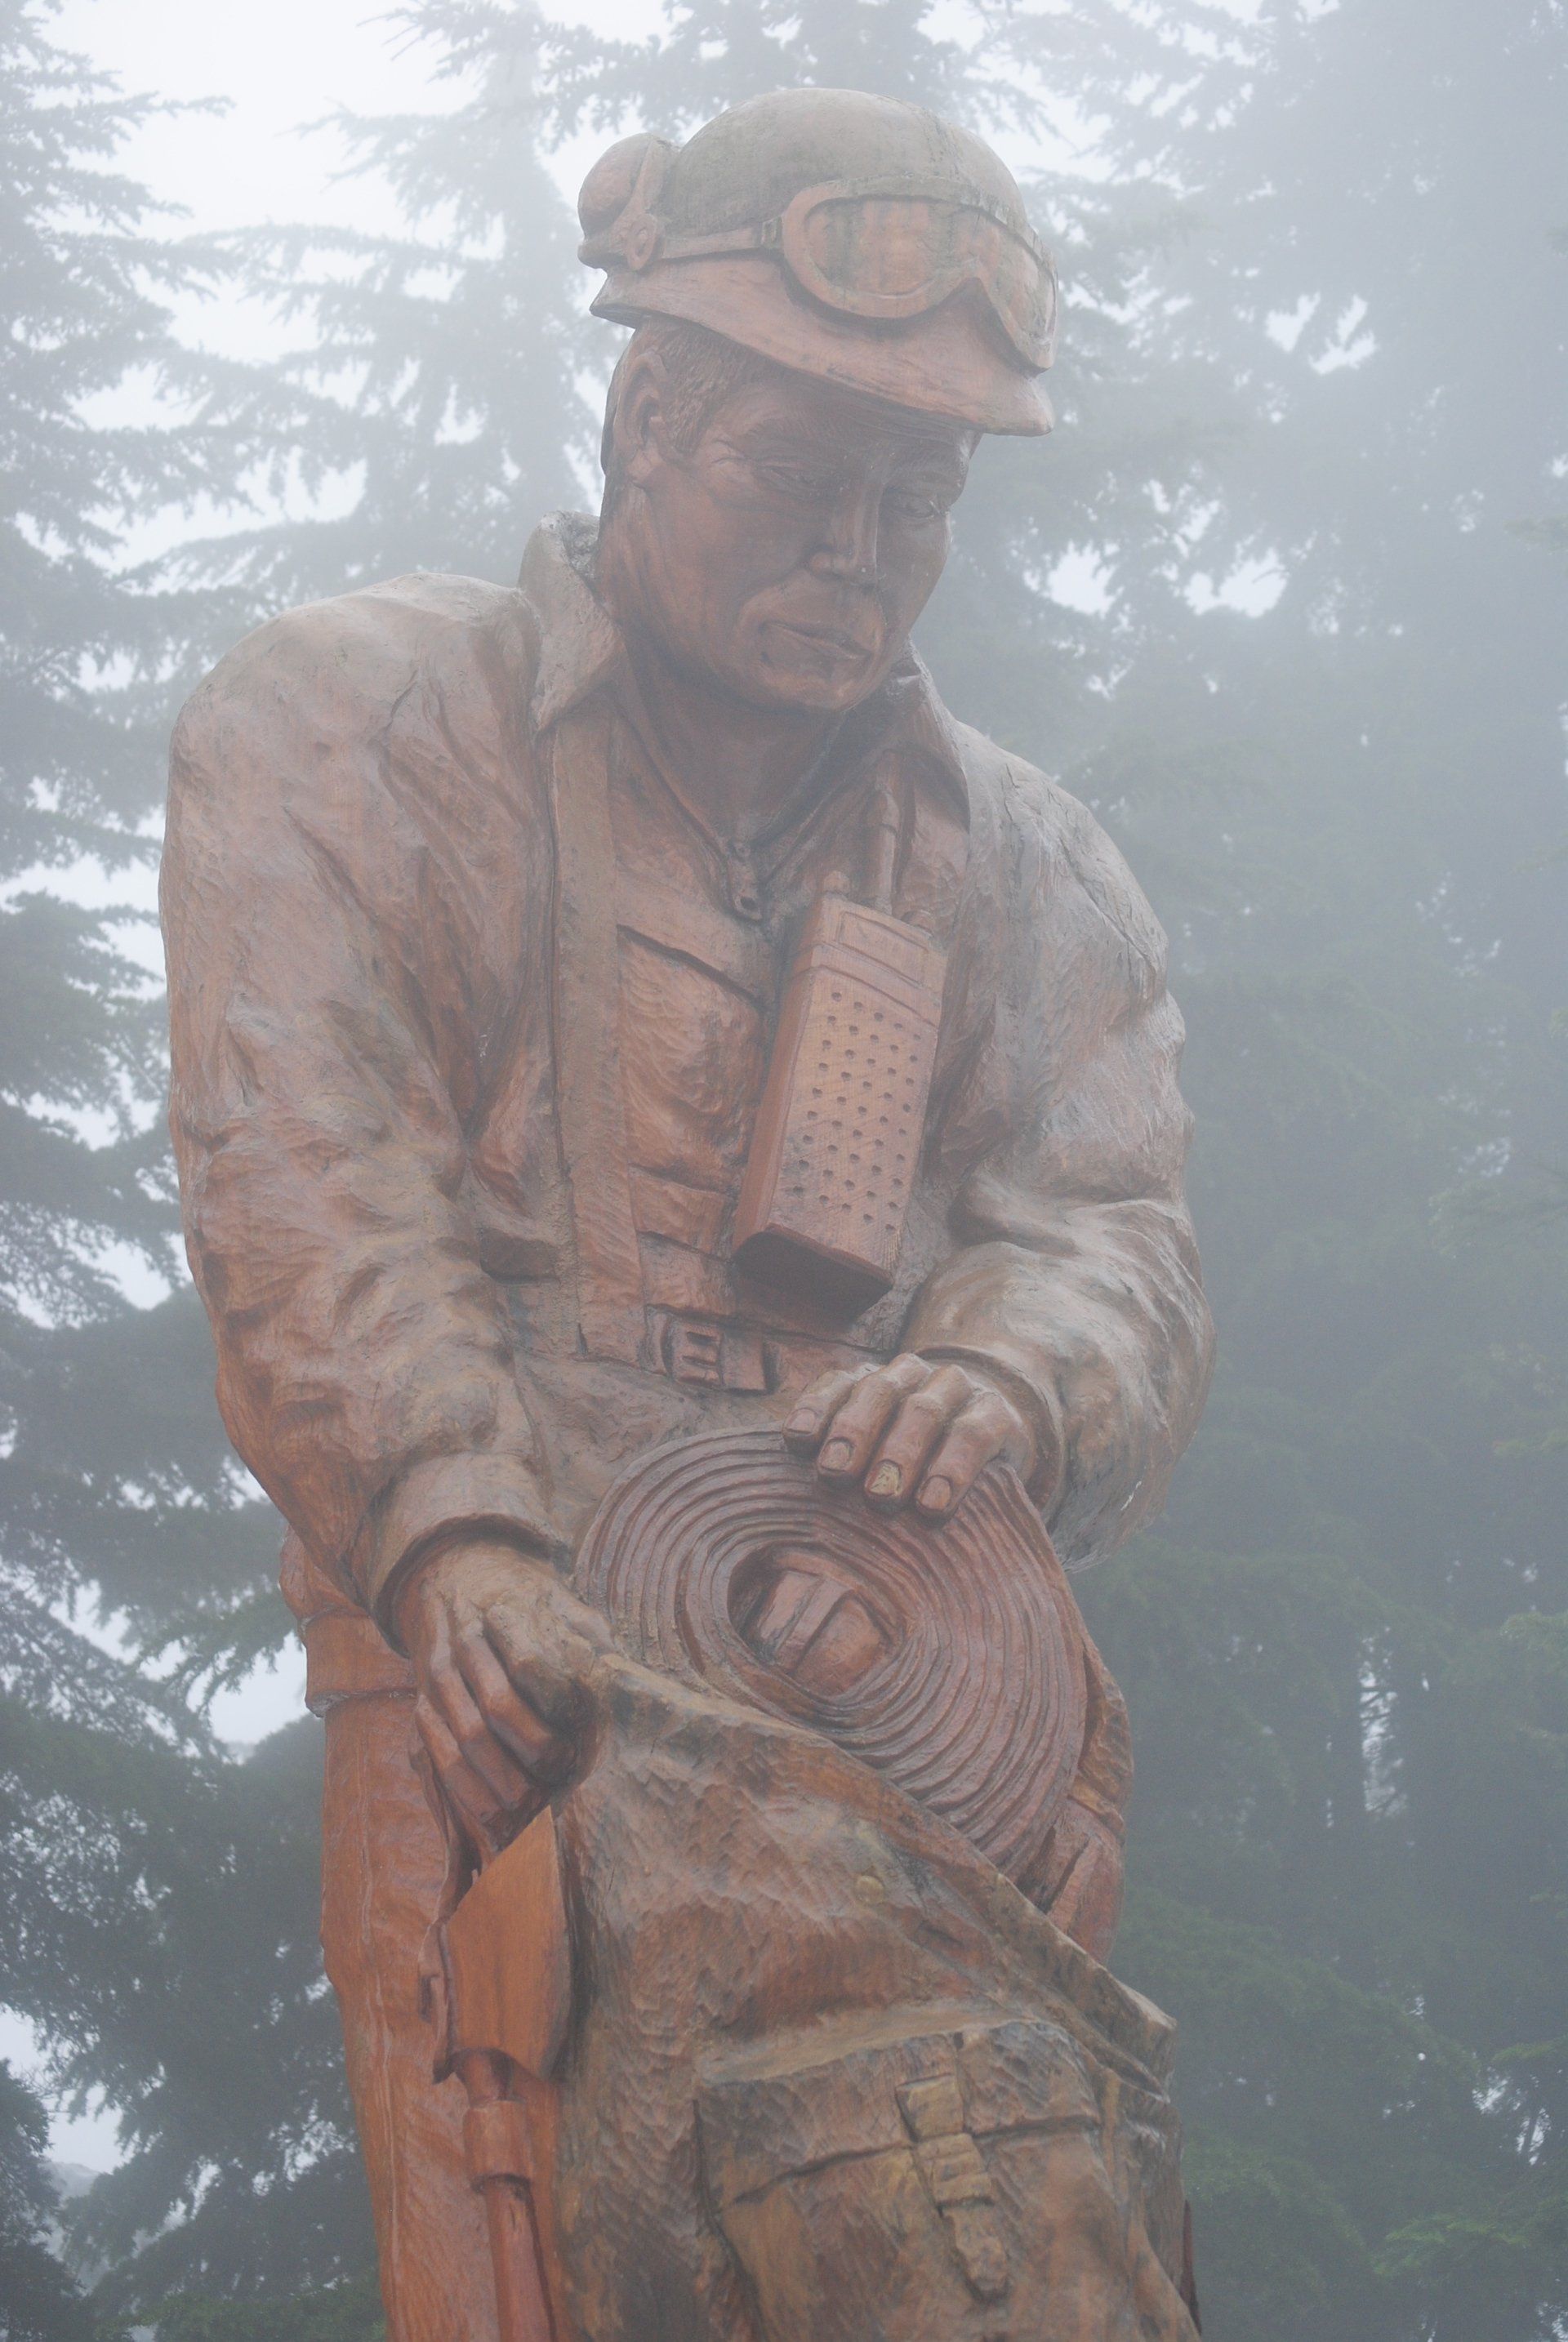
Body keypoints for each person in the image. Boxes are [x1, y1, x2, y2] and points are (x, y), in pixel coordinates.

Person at [163, 88, 1213, 2342]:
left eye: (915, 499)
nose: (856, 547)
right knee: (538, 2240)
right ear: (649, 417)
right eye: (799, 472)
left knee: (1009, 2222)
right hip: (512, 1671)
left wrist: (1011, 1376)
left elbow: (1112, 1227)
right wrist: (454, 1526)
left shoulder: (1029, 866)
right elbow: (304, 1165)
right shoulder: (363, 725)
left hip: (917, 1671)